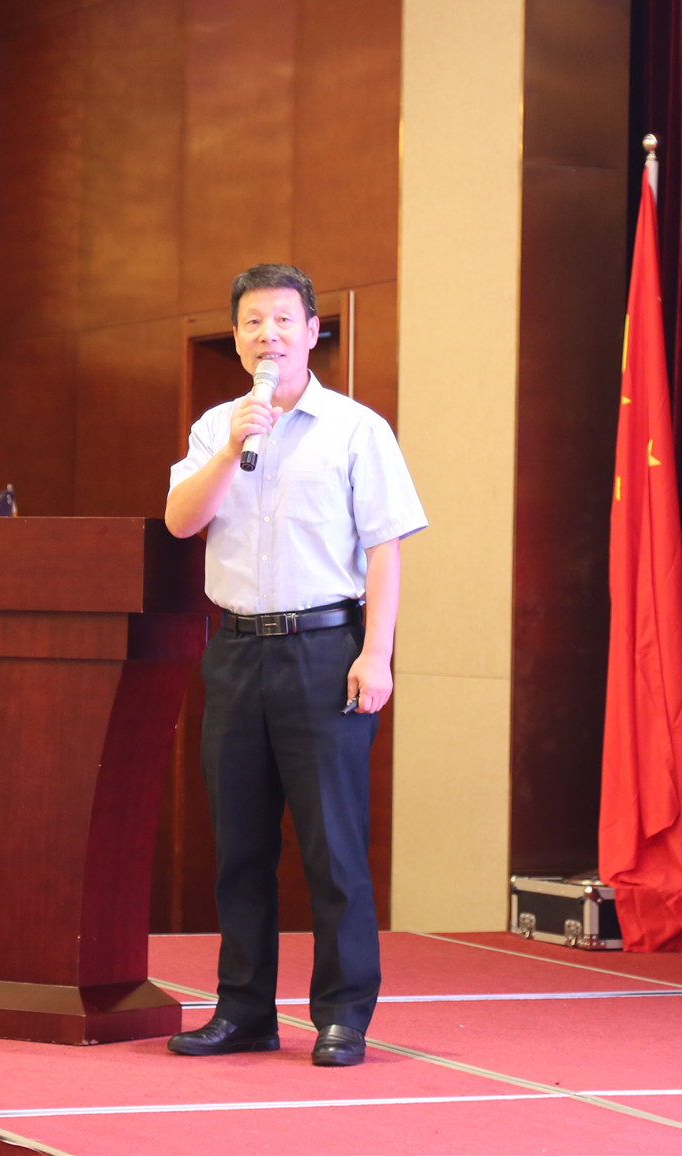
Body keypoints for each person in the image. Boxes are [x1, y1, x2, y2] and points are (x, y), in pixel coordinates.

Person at [163, 263, 426, 1068]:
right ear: (237, 336)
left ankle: (343, 1014)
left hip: (325, 650)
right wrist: (233, 446)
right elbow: (180, 522)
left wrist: (376, 654)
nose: (267, 335)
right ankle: (243, 1011)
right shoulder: (217, 427)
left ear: (313, 332)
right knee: (240, 847)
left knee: (332, 847)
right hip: (236, 651)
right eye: (252, 322)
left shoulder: (356, 430)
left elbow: (385, 550)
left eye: (283, 320)